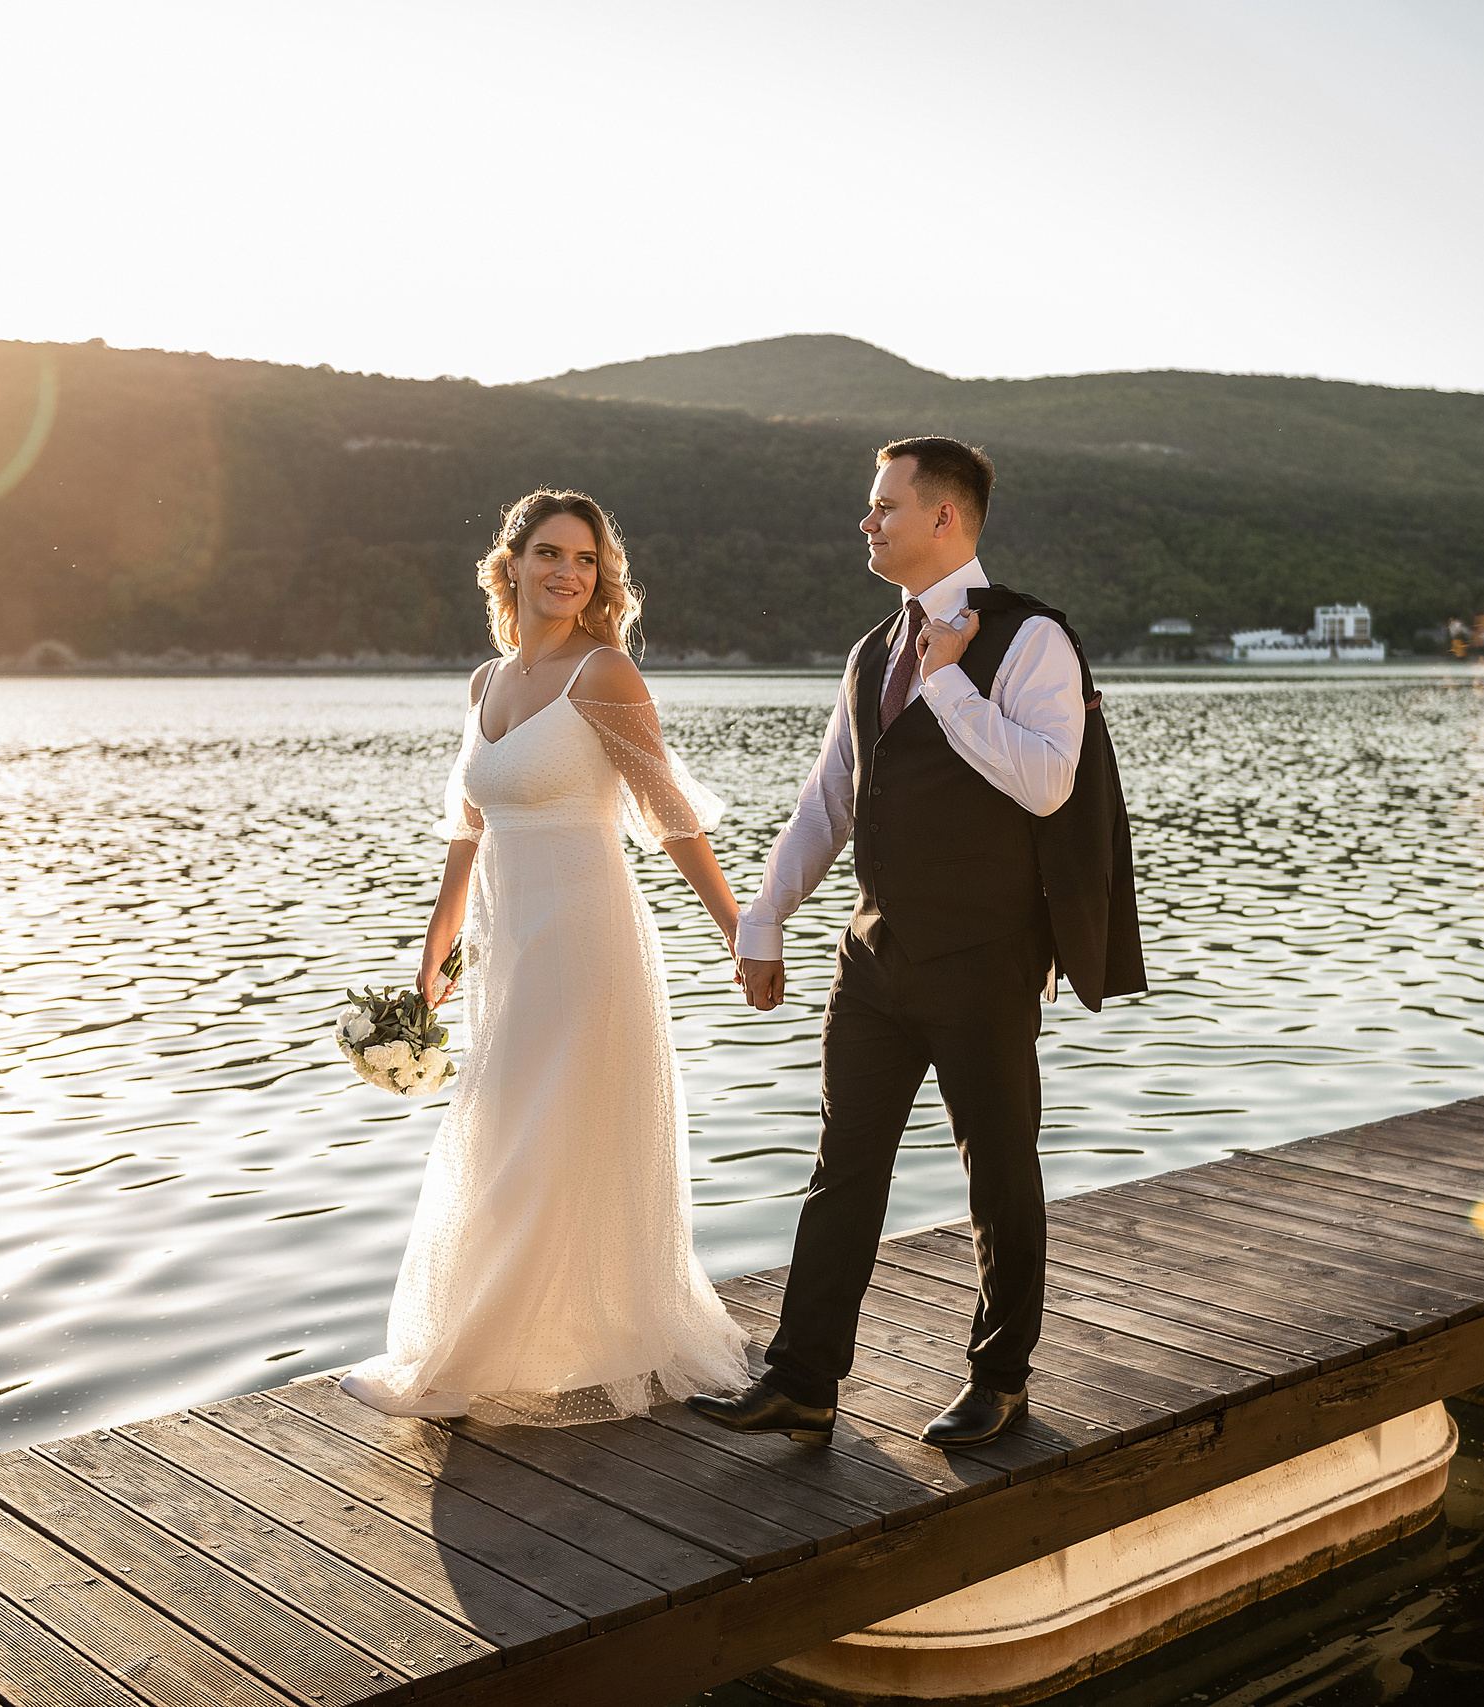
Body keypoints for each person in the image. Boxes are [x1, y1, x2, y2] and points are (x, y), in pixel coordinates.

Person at [689, 437, 1143, 1451]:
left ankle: (1001, 1379)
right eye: (869, 506)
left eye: (884, 506)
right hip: (874, 956)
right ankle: (802, 1379)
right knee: (841, 1168)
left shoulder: (1030, 641)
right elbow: (829, 802)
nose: (867, 522)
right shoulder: (869, 651)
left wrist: (950, 686)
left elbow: (1046, 782)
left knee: (998, 1172)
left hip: (985, 956)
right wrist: (763, 921)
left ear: (945, 518)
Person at [338, 489, 750, 1425]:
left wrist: (740, 931)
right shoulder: (485, 683)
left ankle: (457, 1363)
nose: (572, 573)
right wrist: (434, 955)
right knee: (503, 1135)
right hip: (507, 948)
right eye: (553, 554)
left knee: (535, 1141)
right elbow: (466, 832)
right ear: (511, 563)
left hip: (587, 940)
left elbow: (673, 820)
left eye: (589, 560)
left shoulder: (606, 677)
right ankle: (541, 1341)